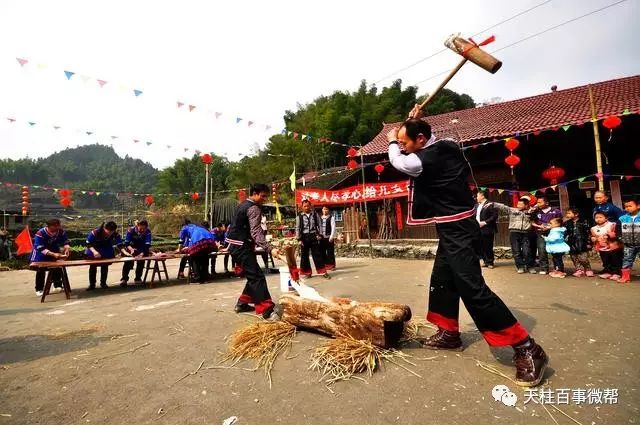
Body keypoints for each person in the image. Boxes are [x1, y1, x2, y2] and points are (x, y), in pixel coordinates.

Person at [386, 105, 547, 387]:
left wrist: (390, 141)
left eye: (405, 143)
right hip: (450, 229)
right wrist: (409, 121)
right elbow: (413, 141)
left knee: (472, 287)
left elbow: (401, 164)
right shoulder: (438, 145)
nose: (402, 146)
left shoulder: (429, 156)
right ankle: (449, 333)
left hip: (460, 230)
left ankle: (527, 347)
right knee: (442, 279)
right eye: (400, 143)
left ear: (421, 140)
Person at [225, 183, 282, 319]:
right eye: (262, 196)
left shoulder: (242, 204)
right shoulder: (253, 208)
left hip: (235, 246)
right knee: (257, 277)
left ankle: (242, 303)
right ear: (255, 193)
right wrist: (270, 248)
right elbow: (256, 232)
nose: (264, 199)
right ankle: (266, 309)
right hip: (241, 247)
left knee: (253, 274)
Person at [493, 198, 534, 273]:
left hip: (525, 233)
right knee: (516, 251)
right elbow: (504, 207)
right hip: (514, 233)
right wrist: (493, 204)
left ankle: (530, 266)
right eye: (518, 204)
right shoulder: (513, 210)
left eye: (520, 204)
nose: (518, 205)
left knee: (527, 251)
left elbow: (535, 214)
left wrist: (530, 212)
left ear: (526, 205)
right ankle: (520, 267)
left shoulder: (531, 212)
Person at [30, 219, 71, 296]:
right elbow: (39, 247)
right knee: (41, 270)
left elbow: (66, 241)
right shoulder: (41, 233)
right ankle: (39, 289)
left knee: (57, 267)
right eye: (55, 226)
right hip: (41, 253)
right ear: (49, 226)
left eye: (58, 225)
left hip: (54, 249)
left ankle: (57, 285)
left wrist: (67, 248)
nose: (57, 227)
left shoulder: (61, 231)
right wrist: (53, 254)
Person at [85, 221, 125, 290]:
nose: (109, 233)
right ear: (104, 228)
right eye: (108, 231)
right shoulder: (95, 232)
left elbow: (120, 244)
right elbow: (88, 243)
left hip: (106, 249)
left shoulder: (115, 233)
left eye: (112, 232)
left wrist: (124, 252)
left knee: (105, 265)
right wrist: (95, 252)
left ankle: (103, 283)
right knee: (93, 266)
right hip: (94, 249)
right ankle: (92, 284)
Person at [296, 200, 329, 279]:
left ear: (310, 206)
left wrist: (320, 235)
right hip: (304, 237)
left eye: (308, 206)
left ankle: (322, 271)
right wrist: (299, 239)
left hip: (313, 236)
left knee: (317, 254)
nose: (306, 207)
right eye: (305, 206)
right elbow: (297, 228)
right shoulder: (299, 216)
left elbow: (320, 225)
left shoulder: (315, 214)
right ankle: (307, 272)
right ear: (302, 207)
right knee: (304, 256)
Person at [176, 219, 216, 284]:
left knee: (194, 258)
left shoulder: (185, 227)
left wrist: (179, 250)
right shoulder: (197, 227)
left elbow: (181, 240)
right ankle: (205, 278)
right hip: (209, 241)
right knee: (204, 258)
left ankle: (197, 279)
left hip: (199, 240)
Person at [531, 197, 563, 275]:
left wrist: (550, 227)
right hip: (540, 232)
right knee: (542, 250)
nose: (537, 204)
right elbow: (531, 222)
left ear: (547, 203)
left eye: (540, 202)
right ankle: (544, 268)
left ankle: (558, 269)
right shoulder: (536, 211)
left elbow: (561, 222)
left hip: (554, 233)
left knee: (555, 250)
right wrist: (539, 226)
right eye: (537, 202)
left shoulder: (556, 211)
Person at [590, 211, 623, 280]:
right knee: (605, 260)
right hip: (602, 247)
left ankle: (616, 273)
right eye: (596, 217)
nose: (598, 219)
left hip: (613, 246)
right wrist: (593, 238)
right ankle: (608, 272)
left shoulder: (612, 225)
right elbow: (593, 236)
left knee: (615, 260)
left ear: (606, 218)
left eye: (600, 217)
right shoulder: (593, 228)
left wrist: (609, 235)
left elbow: (617, 233)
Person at [119, 220, 152, 287]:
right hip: (131, 248)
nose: (142, 230)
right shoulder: (131, 230)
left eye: (144, 228)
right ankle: (124, 279)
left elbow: (147, 244)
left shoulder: (148, 232)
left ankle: (138, 278)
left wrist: (142, 253)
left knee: (141, 262)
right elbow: (127, 243)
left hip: (142, 249)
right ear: (137, 226)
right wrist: (131, 249)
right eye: (141, 228)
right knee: (128, 263)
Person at [616, 198, 640, 283]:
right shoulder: (622, 218)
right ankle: (625, 277)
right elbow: (618, 230)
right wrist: (620, 239)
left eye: (630, 206)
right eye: (626, 206)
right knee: (627, 259)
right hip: (628, 244)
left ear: (638, 206)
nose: (628, 208)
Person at [564, 208, 593, 277]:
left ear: (576, 214)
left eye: (569, 213)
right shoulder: (567, 223)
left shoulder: (584, 222)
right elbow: (565, 233)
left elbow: (588, 233)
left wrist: (589, 243)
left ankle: (588, 269)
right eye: (567, 213)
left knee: (583, 258)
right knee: (574, 257)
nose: (567, 215)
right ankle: (578, 270)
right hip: (571, 242)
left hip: (582, 242)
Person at [475, 190, 498, 269]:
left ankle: (490, 262)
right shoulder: (476, 206)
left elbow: (494, 216)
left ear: (482, 196)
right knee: (481, 246)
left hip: (488, 228)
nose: (476, 197)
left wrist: (485, 222)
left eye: (477, 196)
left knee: (488, 245)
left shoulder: (490, 204)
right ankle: (485, 261)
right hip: (478, 228)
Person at [319, 206, 337, 271]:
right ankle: (325, 265)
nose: (325, 210)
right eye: (324, 209)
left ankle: (332, 265)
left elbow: (333, 227)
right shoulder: (320, 218)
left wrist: (332, 236)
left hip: (329, 237)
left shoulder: (331, 218)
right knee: (322, 252)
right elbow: (318, 227)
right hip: (322, 238)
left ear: (328, 210)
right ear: (322, 210)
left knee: (330, 252)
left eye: (326, 209)